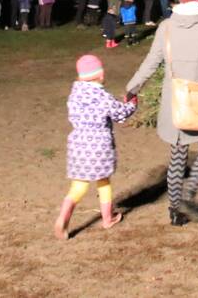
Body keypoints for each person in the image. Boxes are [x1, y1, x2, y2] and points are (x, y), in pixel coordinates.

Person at [125, 0, 198, 225]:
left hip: (174, 101)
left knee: (177, 155)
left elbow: (151, 62)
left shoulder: (166, 27)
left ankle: (174, 209)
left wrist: (132, 87)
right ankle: (190, 194)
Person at [53, 54, 138, 240]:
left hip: (78, 144)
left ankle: (63, 217)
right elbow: (119, 113)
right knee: (103, 181)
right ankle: (107, 219)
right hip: (99, 146)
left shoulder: (74, 95)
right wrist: (131, 104)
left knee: (78, 186)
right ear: (100, 74)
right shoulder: (102, 96)